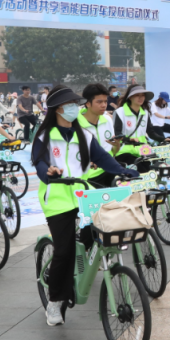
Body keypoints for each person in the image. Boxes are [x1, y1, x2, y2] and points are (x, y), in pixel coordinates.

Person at [32, 85, 139, 326]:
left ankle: (89, 267)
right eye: (71, 104)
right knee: (64, 250)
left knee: (104, 232)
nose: (75, 108)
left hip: (84, 195)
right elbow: (39, 163)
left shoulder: (84, 136)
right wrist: (49, 172)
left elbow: (103, 158)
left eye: (76, 104)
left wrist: (123, 171)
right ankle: (55, 302)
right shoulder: (45, 136)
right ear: (59, 108)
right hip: (58, 199)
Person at [77, 83, 122, 189]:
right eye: (99, 102)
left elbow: (113, 152)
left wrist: (117, 145)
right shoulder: (76, 124)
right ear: (87, 103)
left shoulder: (107, 120)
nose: (104, 105)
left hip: (110, 172)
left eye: (105, 101)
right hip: (89, 177)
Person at [112, 84, 167, 168]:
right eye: (137, 95)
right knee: (138, 169)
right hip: (124, 151)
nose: (141, 98)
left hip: (143, 150)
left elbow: (151, 132)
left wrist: (165, 139)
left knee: (155, 168)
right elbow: (117, 133)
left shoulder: (145, 113)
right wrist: (129, 139)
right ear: (130, 97)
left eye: (142, 95)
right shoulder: (120, 112)